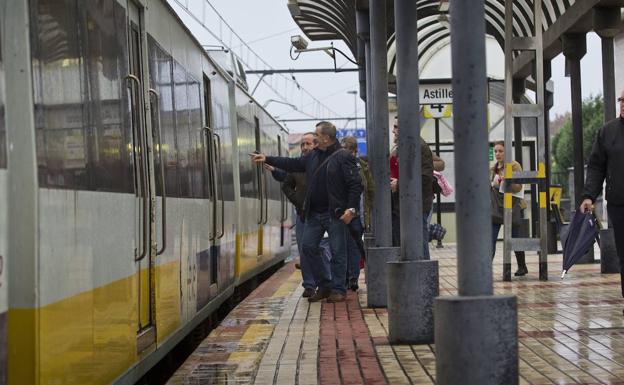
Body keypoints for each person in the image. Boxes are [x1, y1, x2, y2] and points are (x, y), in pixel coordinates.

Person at [251, 121, 362, 303]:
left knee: (338, 251)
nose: (314, 137)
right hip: (314, 213)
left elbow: (354, 185)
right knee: (308, 248)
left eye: (317, 135)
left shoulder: (343, 157)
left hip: (335, 213)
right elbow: (292, 163)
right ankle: (324, 284)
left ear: (326, 138)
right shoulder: (312, 157)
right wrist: (267, 158)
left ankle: (338, 289)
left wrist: (351, 209)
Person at [581, 90, 624, 310]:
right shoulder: (607, 132)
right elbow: (596, 167)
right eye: (622, 100)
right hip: (619, 203)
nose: (623, 105)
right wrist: (589, 195)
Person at [279, 133, 332, 297]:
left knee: (323, 248)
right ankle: (309, 285)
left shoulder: (325, 162)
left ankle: (327, 281)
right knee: (305, 249)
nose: (304, 147)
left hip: (325, 213)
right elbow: (286, 185)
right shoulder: (297, 166)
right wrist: (298, 201)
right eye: (302, 144)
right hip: (304, 214)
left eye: (307, 144)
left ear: (315, 144)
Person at [389, 117, 434, 258]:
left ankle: (425, 277)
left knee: (419, 242)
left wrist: (399, 184)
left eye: (396, 127)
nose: (393, 131)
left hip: (417, 204)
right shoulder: (401, 147)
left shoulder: (419, 147)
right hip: (403, 204)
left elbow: (425, 177)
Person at [490, 140, 528, 276]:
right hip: (496, 208)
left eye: (500, 151)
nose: (497, 154)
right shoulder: (493, 168)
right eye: (495, 151)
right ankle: (486, 269)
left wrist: (502, 181)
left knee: (515, 238)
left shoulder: (514, 166)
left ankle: (522, 266)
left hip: (513, 207)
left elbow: (519, 186)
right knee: (491, 238)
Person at [340, 136, 365, 291]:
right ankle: (347, 277)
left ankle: (352, 277)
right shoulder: (337, 165)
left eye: (347, 150)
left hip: (355, 212)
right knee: (344, 245)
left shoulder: (362, 166)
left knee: (353, 245)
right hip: (342, 211)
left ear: (355, 151)